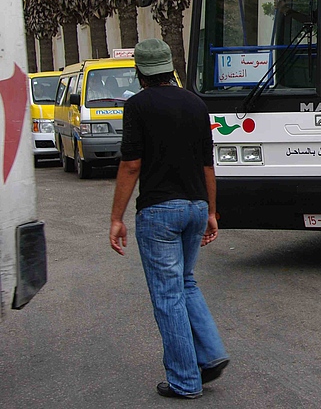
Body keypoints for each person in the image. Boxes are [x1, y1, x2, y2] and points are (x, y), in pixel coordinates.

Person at [110, 39, 229, 399]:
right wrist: (210, 211)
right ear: (169, 67)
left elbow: (132, 165)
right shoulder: (196, 104)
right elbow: (208, 165)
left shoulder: (137, 106)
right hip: (195, 207)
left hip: (160, 212)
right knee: (186, 282)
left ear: (140, 72)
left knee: (168, 295)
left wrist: (116, 217)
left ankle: (184, 380)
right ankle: (209, 355)